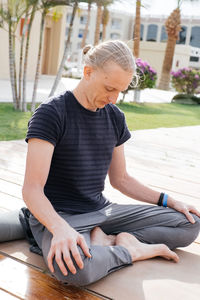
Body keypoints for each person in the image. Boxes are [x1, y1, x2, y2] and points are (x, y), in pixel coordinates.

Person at [1, 40, 200, 286]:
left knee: (190, 223)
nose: (114, 98)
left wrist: (170, 201)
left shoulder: (115, 117)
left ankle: (112, 239)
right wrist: (60, 229)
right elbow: (32, 189)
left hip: (102, 212)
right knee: (76, 270)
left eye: (120, 91)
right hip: (61, 216)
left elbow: (121, 179)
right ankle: (132, 251)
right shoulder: (51, 113)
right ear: (87, 72)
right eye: (109, 88)